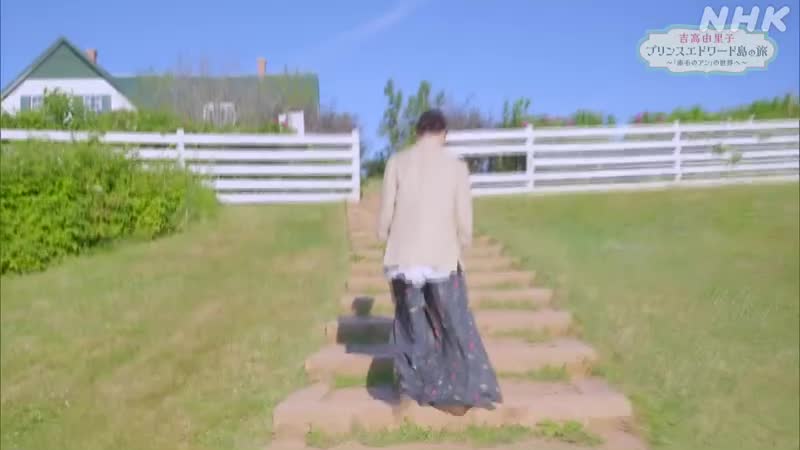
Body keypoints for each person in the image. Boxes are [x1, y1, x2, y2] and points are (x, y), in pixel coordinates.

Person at [377, 109, 502, 416]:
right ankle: (460, 387)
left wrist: (385, 236)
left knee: (411, 323)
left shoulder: (397, 162)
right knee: (453, 322)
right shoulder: (456, 167)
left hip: (404, 258)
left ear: (417, 132)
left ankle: (415, 386)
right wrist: (465, 240)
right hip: (441, 255)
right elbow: (463, 215)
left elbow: (386, 211)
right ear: (443, 134)